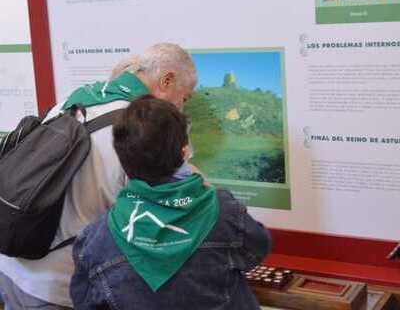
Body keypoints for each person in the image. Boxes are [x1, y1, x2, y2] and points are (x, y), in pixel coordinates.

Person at [0, 43, 197, 309]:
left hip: (13, 267)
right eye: (184, 98)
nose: (181, 108)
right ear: (167, 80)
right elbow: (155, 221)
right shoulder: (142, 130)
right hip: (59, 286)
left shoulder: (78, 98)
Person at [70, 95, 271, 310]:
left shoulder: (95, 239)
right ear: (184, 152)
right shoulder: (224, 212)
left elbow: (85, 301)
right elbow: (258, 248)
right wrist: (206, 188)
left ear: (122, 157)